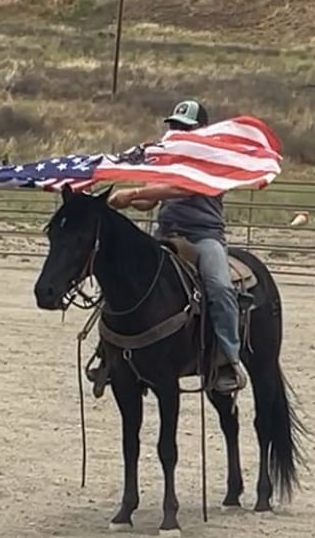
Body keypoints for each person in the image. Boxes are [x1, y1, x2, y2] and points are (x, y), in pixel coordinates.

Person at [96, 99, 247, 395]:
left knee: (219, 287)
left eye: (185, 128)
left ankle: (228, 359)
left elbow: (184, 188)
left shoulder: (212, 161)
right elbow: (151, 200)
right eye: (176, 126)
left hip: (203, 236)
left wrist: (133, 193)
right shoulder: (169, 160)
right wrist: (128, 201)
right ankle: (109, 353)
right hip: (166, 232)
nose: (179, 132)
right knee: (122, 278)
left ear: (202, 130)